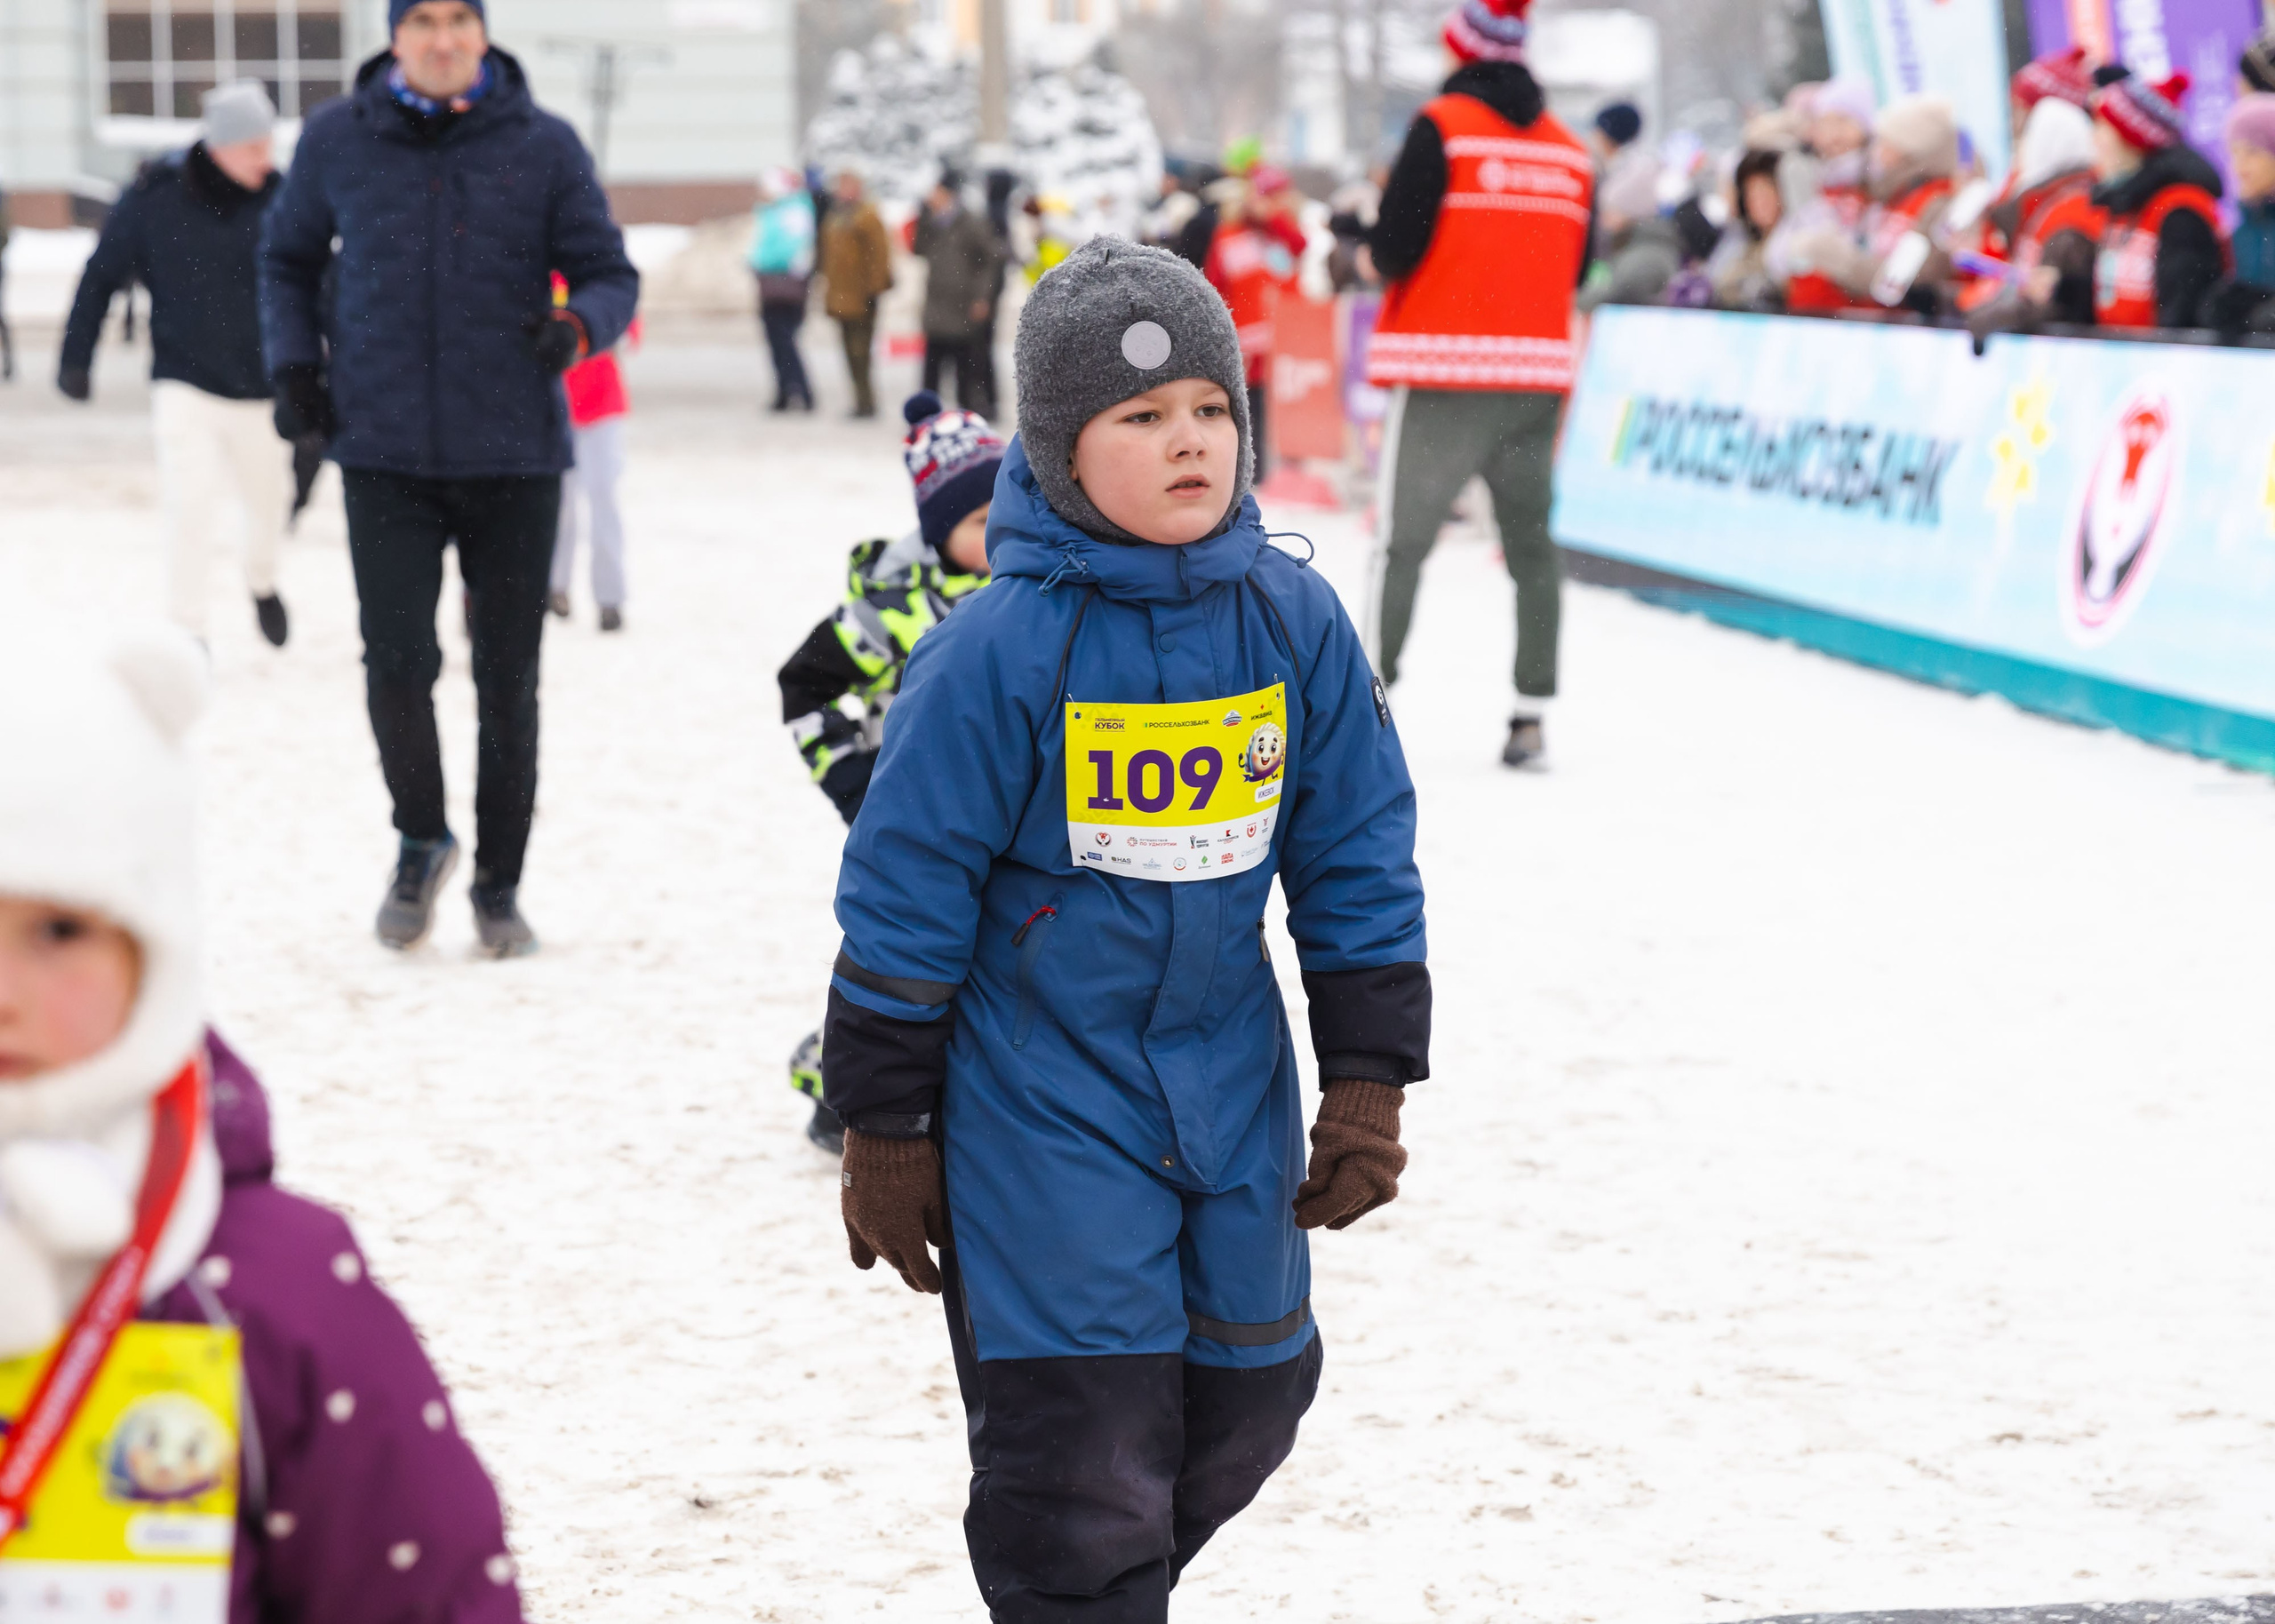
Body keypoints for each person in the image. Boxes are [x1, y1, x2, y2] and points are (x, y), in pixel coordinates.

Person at [823, 236, 1427, 1619]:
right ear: (1057, 451)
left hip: (1231, 1088)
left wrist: (1370, 1081)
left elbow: (1356, 854)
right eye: (1141, 418)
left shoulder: (1295, 620)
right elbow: (903, 894)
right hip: (1041, 1104)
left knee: (1258, 1385)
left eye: (1211, 410)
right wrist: (885, 1122)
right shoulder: (992, 650)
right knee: (1080, 1450)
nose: (1189, 443)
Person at [0, 622, 527, 1623]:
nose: (5, 990)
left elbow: (415, 1585)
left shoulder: (264, 1280)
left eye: (58, 930)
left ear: (153, 953)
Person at [259, 0, 638, 959]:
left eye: (457, 20)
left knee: (509, 678)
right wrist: (294, 364)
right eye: (420, 20)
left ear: (481, 33)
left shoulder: (545, 144)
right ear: (395, 35)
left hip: (513, 453)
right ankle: (420, 838)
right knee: (395, 662)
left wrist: (578, 326)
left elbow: (607, 270)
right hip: (381, 449)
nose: (440, 38)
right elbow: (287, 260)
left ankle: (499, 885)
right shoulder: (337, 139)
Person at [1367, 0, 1593, 768]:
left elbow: (1395, 247)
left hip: (1444, 369)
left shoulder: (1444, 126)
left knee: (1401, 544)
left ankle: (1366, 708)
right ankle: (1531, 716)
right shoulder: (1569, 150)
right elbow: (1579, 260)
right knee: (1532, 547)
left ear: (1458, 47)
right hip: (1536, 375)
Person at [776, 391, 1004, 1153]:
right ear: (941, 529)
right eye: (979, 523)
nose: (1000, 532)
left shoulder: (1028, 594)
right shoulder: (888, 610)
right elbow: (803, 686)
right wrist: (856, 783)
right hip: (907, 821)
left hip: (998, 817)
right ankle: (837, 1091)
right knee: (899, 962)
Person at [59, 84, 293, 649]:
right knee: (189, 506)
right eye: (254, 148)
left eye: (269, 146)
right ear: (220, 147)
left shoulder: (282, 200)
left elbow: (321, 286)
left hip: (262, 388)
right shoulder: (152, 197)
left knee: (269, 505)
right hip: (184, 382)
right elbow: (102, 274)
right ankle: (188, 630)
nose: (266, 160)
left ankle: (261, 579)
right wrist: (76, 356)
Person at [1787, 94, 1961, 313]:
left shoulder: (1938, 201)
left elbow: (1915, 279)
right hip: (1879, 327)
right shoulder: (1894, 194)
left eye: (1886, 144)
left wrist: (1842, 261)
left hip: (1913, 331)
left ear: (1908, 150)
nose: (1877, 152)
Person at [2086, 70, 2226, 330]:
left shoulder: (2181, 213)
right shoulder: (2127, 203)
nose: (2093, 141)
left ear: (2132, 139)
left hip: (2160, 368)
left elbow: (2182, 321)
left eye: (2102, 129)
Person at [1203, 164, 1306, 475]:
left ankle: (1290, 468)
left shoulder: (1284, 233)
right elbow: (1216, 282)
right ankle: (1253, 469)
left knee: (1289, 404)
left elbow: (1301, 246)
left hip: (1285, 337)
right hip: (1246, 340)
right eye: (1264, 197)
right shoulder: (1229, 234)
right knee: (1250, 406)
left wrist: (1272, 218)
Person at [548, 285, 639, 634]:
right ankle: (556, 586)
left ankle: (610, 597)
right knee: (562, 503)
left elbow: (629, 333)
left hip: (602, 404)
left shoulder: (602, 280)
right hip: (560, 403)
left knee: (604, 499)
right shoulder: (548, 274)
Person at [914, 173, 1006, 418]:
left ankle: (969, 414)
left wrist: (982, 297)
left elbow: (991, 259)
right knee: (931, 367)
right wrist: (923, 218)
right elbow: (917, 248)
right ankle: (926, 416)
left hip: (962, 306)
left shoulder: (970, 222)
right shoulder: (932, 221)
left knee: (965, 369)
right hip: (937, 305)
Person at [1784, 76, 1878, 314]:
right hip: (1822, 323)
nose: (1834, 135)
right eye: (1826, 124)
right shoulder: (1822, 182)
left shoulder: (1879, 180)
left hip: (1867, 321)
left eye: (1844, 121)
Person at [818, 171, 894, 419]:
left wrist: (874, 289)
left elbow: (879, 256)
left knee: (861, 352)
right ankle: (859, 399)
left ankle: (866, 401)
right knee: (849, 352)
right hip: (840, 294)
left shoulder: (867, 216)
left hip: (861, 296)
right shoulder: (836, 215)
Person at [751, 167, 816, 414]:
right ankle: (784, 392)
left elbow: (786, 249)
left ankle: (801, 391)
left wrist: (760, 262)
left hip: (785, 286)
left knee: (786, 342)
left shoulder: (794, 212)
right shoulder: (775, 211)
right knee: (776, 343)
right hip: (772, 285)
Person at [1709, 148, 1792, 311]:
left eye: (1765, 191)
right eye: (1751, 194)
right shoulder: (1744, 245)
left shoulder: (1795, 242)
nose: (1759, 202)